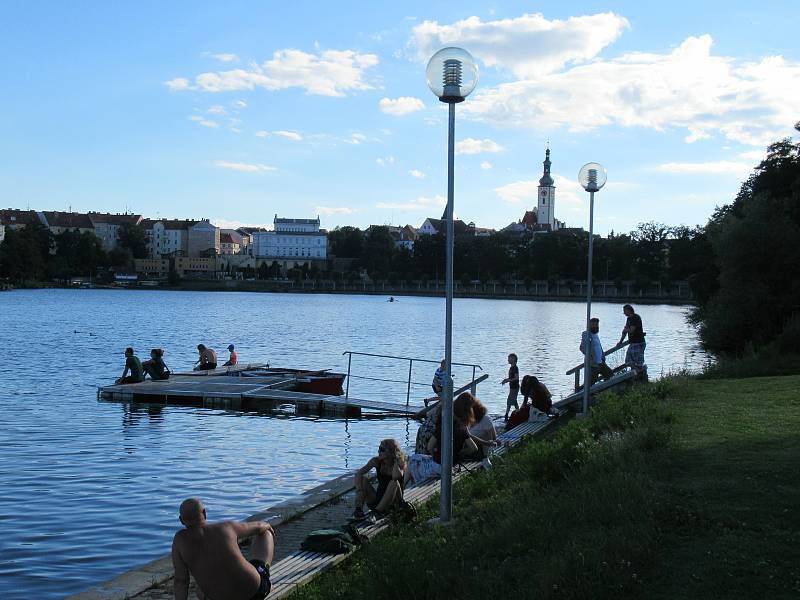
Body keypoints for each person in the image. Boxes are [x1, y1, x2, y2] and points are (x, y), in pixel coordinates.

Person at [171, 497, 274, 600]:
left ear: (181, 520)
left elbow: (181, 581)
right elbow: (259, 527)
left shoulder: (179, 541)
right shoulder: (226, 527)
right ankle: (265, 575)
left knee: (199, 590)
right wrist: (267, 525)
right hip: (255, 593)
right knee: (265, 532)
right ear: (204, 513)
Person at [351, 438, 407, 520]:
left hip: (394, 503)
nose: (378, 452)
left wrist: (396, 460)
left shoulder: (400, 464)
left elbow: (396, 476)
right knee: (362, 480)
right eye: (379, 448)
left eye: (382, 449)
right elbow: (358, 474)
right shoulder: (376, 461)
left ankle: (377, 513)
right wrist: (360, 491)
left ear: (391, 452)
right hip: (378, 500)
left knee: (393, 482)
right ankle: (358, 510)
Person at [455, 392, 497, 460]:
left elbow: (493, 438)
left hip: (478, 447)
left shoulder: (485, 419)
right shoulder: (464, 418)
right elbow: (467, 435)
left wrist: (486, 443)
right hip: (467, 444)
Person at [580, 318, 613, 385]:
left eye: (597, 325)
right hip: (592, 364)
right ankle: (583, 394)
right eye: (594, 325)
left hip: (600, 362)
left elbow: (599, 348)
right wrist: (590, 356)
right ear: (590, 325)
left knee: (609, 374)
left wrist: (602, 357)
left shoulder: (596, 335)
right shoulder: (586, 334)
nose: (596, 326)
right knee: (591, 381)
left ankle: (605, 390)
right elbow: (582, 348)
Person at [619, 304, 647, 375]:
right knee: (628, 361)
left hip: (638, 342)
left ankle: (638, 374)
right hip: (633, 343)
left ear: (628, 310)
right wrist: (620, 342)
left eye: (624, 311)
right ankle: (636, 373)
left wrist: (626, 329)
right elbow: (625, 332)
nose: (624, 313)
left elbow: (631, 330)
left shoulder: (635, 317)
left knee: (638, 363)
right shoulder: (629, 319)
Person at [501, 353, 520, 421]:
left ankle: (506, 415)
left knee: (509, 400)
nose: (508, 360)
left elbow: (516, 378)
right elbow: (511, 378)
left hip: (515, 387)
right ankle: (519, 412)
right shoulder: (511, 368)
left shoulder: (515, 368)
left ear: (513, 359)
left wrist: (507, 380)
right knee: (514, 401)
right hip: (512, 387)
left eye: (509, 358)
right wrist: (506, 380)